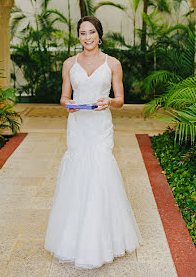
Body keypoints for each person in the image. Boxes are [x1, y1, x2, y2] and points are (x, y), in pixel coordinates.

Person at [44, 16, 142, 269]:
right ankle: (72, 239)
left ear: (99, 34)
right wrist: (70, 105)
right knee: (77, 173)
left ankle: (101, 240)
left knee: (100, 171)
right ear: (78, 36)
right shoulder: (69, 64)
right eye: (82, 33)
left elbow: (120, 99)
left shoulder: (113, 63)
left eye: (91, 32)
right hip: (78, 125)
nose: (87, 37)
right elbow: (64, 98)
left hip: (100, 125)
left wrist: (108, 101)